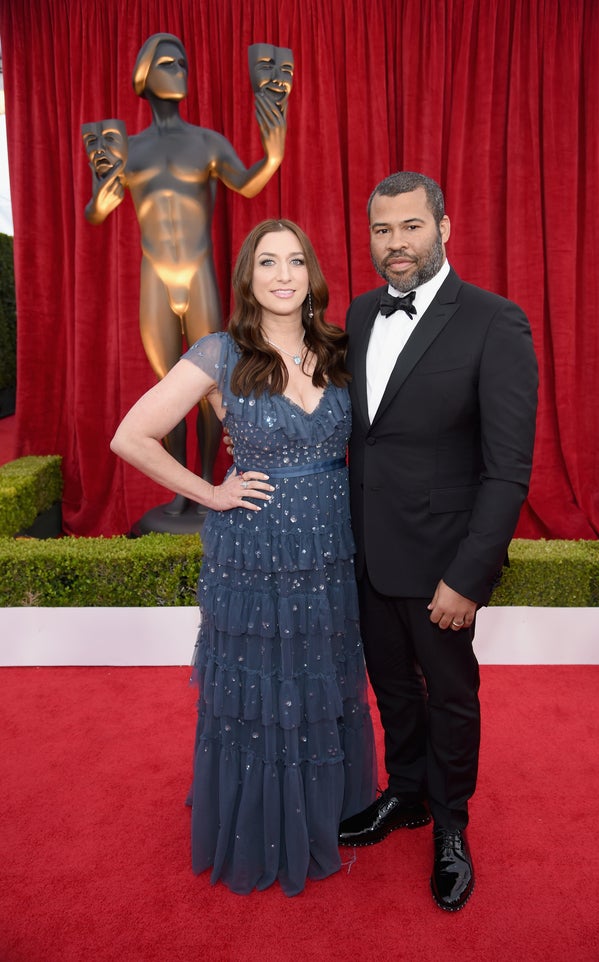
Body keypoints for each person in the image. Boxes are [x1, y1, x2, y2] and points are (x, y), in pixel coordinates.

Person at [110, 218, 377, 896]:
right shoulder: (220, 353)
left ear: (311, 274)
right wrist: (211, 493)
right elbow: (132, 435)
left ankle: (331, 811)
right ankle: (262, 823)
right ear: (248, 277)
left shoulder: (343, 348)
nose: (283, 275)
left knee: (323, 678)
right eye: (268, 262)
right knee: (262, 689)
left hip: (329, 548)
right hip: (254, 552)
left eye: (295, 261)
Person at [337, 171, 538, 912]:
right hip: (367, 553)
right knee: (392, 690)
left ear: (444, 228)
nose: (396, 244)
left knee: (451, 698)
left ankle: (451, 828)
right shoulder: (359, 315)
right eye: (383, 230)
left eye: (411, 227)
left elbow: (509, 470)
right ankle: (409, 795)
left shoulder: (495, 321)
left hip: (443, 565)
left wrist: (468, 576)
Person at [86, 34, 290, 516]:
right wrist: (102, 196)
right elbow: (97, 211)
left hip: (197, 275)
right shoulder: (127, 149)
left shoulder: (208, 143)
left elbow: (247, 182)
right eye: (168, 63)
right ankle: (181, 488)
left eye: (183, 62)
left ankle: (202, 482)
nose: (180, 69)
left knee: (210, 384)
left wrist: (274, 155)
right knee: (168, 387)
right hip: (155, 277)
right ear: (144, 75)